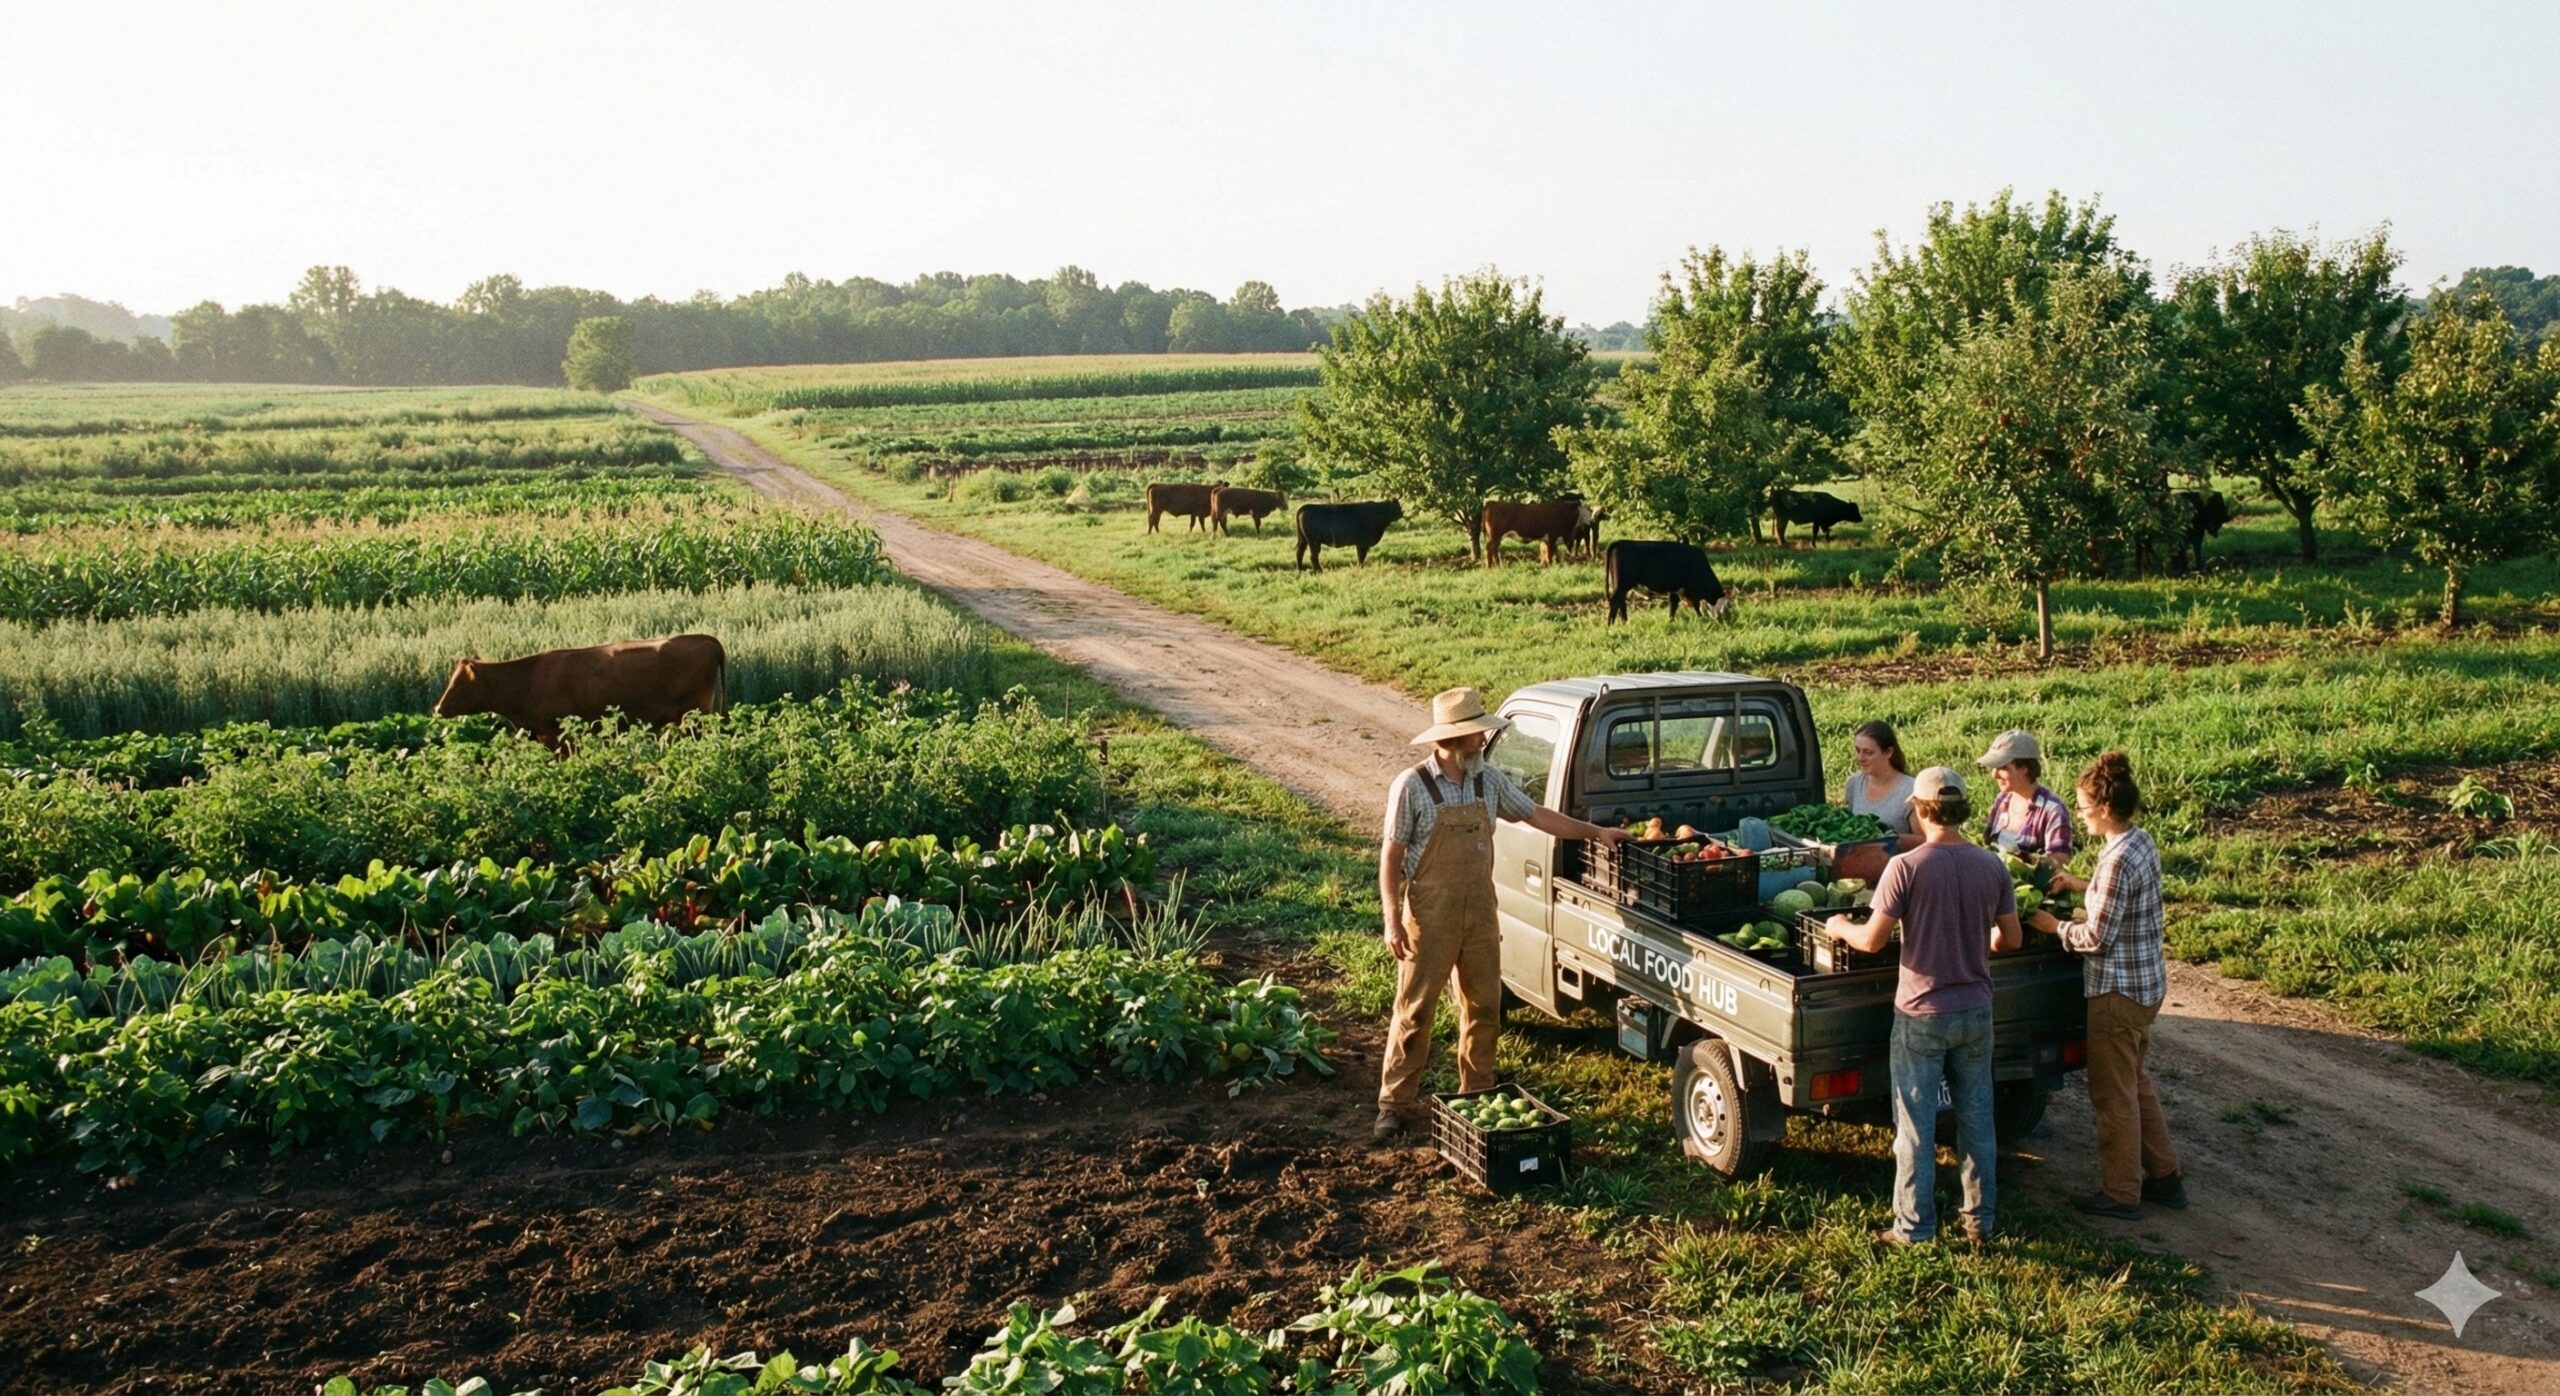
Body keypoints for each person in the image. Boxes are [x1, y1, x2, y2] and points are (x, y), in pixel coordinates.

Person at [1375, 686, 1628, 1142]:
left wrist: (1595, 833)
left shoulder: (1486, 781)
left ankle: (1477, 1094)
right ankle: (1394, 1104)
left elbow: (1536, 816)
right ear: (1455, 739)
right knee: (1414, 1011)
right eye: (1477, 735)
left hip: (1480, 916)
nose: (1483, 741)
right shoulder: (1412, 786)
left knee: (1484, 1007)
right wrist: (1392, 920)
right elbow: (1391, 857)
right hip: (1428, 919)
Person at [1823, 766, 2022, 1244]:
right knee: (1977, 1118)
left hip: (1922, 1012)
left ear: (1919, 808)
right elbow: (2009, 938)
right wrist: (1976, 938)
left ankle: (1914, 1226)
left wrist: (1838, 927)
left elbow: (1872, 941)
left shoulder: (1906, 867)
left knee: (1915, 1123)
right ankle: (1981, 1220)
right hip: (1975, 1009)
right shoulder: (1991, 866)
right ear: (1961, 811)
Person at [2029, 752, 2186, 1220]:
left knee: (2112, 1094)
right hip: (2146, 985)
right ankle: (2165, 1177)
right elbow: (2120, 893)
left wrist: (2049, 926)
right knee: (2135, 1083)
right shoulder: (2138, 843)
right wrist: (2079, 884)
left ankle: (2121, 1193)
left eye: (2081, 808)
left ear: (2102, 808)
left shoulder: (2114, 859)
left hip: (2116, 992)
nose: (2079, 816)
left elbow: (2094, 938)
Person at [1978, 729, 2074, 865]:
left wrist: (2020, 858)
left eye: (2002, 768)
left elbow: (2058, 860)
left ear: (2024, 768)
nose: (1994, 775)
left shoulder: (2052, 810)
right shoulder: (2003, 799)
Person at [1845, 720, 1918, 842]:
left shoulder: (1910, 790)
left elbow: (1924, 841)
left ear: (1888, 752)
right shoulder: (1854, 783)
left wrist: (1884, 839)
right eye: (1858, 751)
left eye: (1868, 752)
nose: (1860, 758)